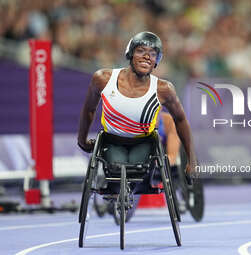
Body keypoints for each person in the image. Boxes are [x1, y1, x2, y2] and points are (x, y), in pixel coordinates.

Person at [77, 31, 197, 188]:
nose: (147, 56)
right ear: (130, 54)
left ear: (156, 61)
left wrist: (191, 160)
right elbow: (88, 110)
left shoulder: (164, 89)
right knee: (116, 170)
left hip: (144, 143)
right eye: (141, 51)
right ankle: (110, 182)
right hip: (112, 141)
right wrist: (82, 140)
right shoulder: (103, 79)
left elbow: (180, 120)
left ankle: (128, 187)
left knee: (137, 171)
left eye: (152, 54)